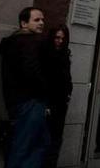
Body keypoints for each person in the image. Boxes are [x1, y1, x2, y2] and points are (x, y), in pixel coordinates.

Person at [0, 6, 50, 168]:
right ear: (23, 23)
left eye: (42, 19)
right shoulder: (30, 42)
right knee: (27, 146)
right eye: (36, 20)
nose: (42, 23)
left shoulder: (13, 43)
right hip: (30, 101)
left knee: (38, 142)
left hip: (18, 101)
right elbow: (31, 71)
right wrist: (44, 92)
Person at [43, 24, 73, 168]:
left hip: (61, 103)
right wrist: (46, 103)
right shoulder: (45, 53)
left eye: (63, 38)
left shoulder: (65, 55)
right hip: (47, 103)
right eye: (57, 38)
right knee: (44, 140)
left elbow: (67, 77)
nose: (60, 41)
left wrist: (68, 94)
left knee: (56, 140)